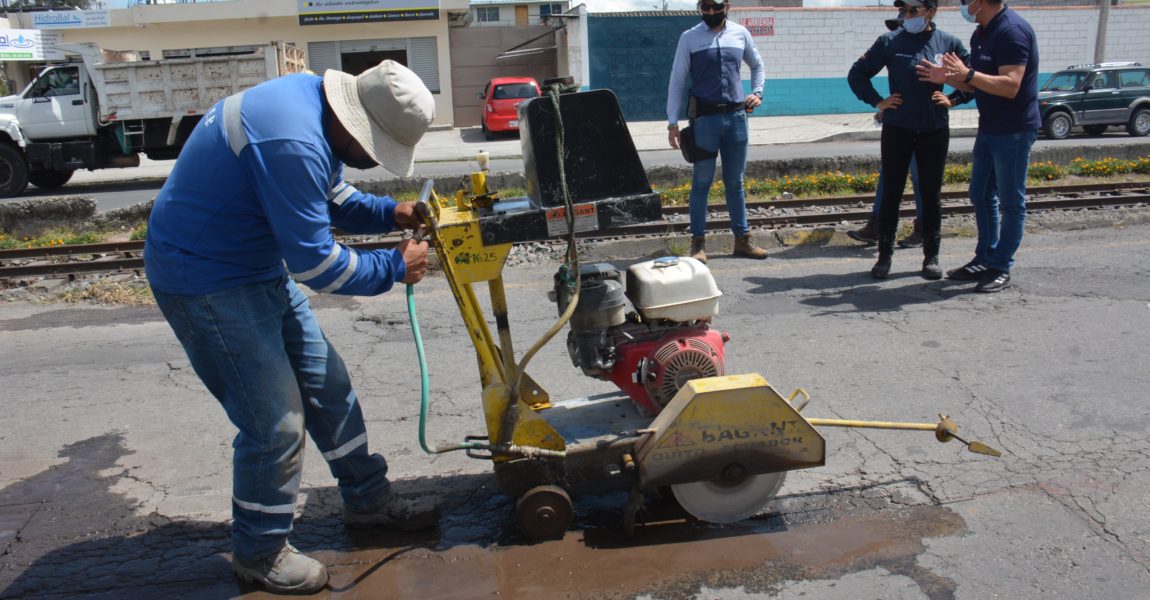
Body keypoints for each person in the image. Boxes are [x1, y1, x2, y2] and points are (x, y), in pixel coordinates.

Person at [144, 61, 438, 594]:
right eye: (376, 148)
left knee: (330, 386)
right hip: (204, 282)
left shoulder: (309, 106)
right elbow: (316, 265)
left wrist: (391, 212)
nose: (374, 160)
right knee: (274, 423)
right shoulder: (291, 139)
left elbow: (330, 199)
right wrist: (394, 267)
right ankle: (258, 553)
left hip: (252, 268)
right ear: (355, 123)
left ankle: (368, 502)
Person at [848, 0, 969, 280]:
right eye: (904, 11)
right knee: (891, 193)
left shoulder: (948, 43)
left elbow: (973, 77)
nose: (907, 16)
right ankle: (884, 257)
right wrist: (879, 101)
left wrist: (954, 98)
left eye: (914, 10)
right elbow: (857, 75)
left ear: (931, 11)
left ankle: (931, 257)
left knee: (930, 195)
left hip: (933, 130)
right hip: (898, 129)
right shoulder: (890, 41)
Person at [926, 0, 1040, 293]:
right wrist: (950, 78)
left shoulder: (1012, 31)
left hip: (1014, 130)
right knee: (980, 193)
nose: (963, 5)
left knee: (1012, 201)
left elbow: (1010, 85)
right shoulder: (981, 32)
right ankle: (985, 257)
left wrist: (968, 75)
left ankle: (1001, 266)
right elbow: (976, 84)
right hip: (990, 126)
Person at [667, 0, 767, 263]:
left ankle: (742, 241)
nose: (711, 12)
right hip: (704, 120)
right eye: (706, 7)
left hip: (736, 118)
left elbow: (757, 65)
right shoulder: (689, 38)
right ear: (700, 7)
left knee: (736, 182)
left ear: (727, 5)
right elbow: (677, 80)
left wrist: (757, 93)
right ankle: (698, 244)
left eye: (716, 7)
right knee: (701, 182)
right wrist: (672, 122)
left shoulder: (740, 33)